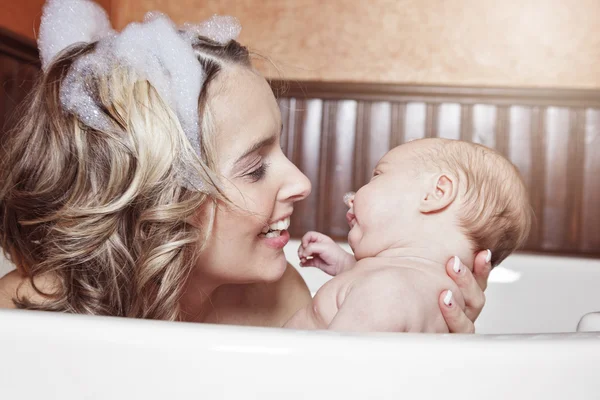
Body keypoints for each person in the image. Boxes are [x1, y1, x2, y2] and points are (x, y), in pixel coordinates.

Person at [0, 0, 491, 333]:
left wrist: (434, 354)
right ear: (158, 200)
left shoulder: (276, 299)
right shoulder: (24, 318)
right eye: (255, 168)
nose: (301, 181)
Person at [287, 139, 531, 332]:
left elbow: (332, 371)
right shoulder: (421, 292)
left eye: (377, 176)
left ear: (436, 193)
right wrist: (344, 264)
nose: (352, 197)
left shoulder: (386, 292)